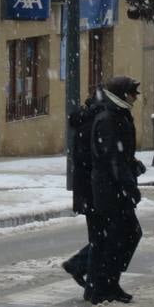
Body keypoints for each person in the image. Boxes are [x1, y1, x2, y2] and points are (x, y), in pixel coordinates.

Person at [86, 74, 147, 305]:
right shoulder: (109, 118)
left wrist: (133, 165)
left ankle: (108, 283)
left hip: (114, 189)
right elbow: (113, 159)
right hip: (110, 191)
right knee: (123, 235)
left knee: (121, 236)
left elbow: (121, 156)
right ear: (123, 94)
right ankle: (104, 285)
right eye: (133, 92)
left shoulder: (118, 114)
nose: (136, 97)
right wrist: (129, 186)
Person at [61, 87, 104, 291]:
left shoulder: (87, 119)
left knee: (100, 236)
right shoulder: (94, 123)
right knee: (103, 237)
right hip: (94, 191)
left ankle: (88, 273)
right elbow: (95, 158)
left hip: (88, 191)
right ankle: (81, 268)